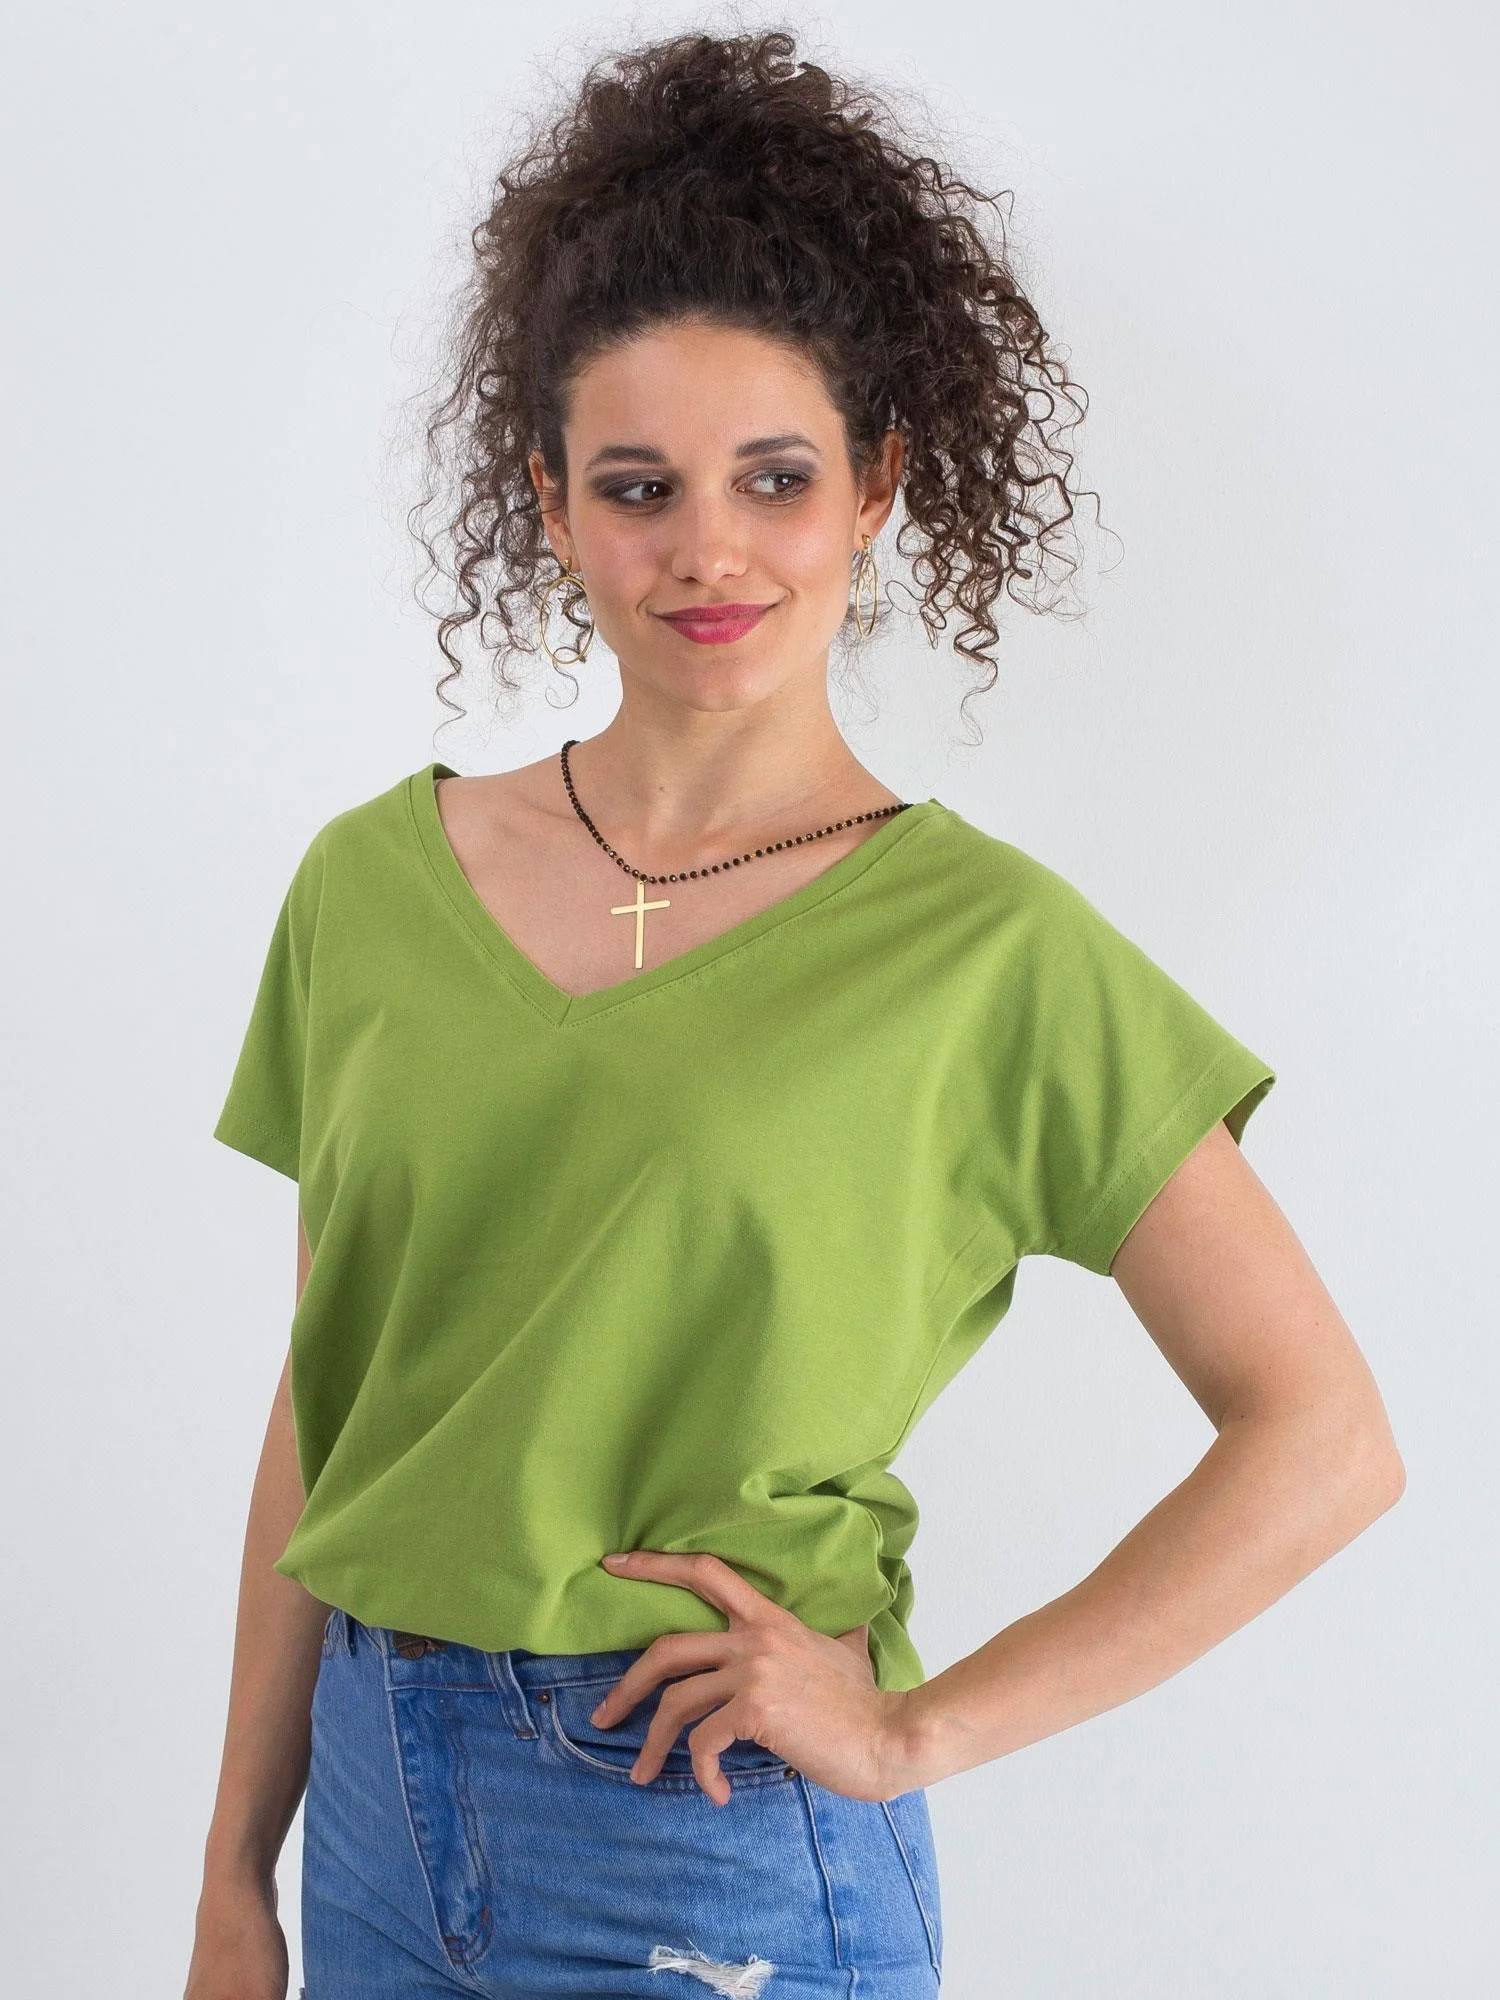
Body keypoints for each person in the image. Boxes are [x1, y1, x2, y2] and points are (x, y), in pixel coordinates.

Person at [184, 28, 1404, 2000]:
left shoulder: (987, 953)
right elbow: (328, 1407)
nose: (709, 551)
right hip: (374, 1812)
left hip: (704, 1827)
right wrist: (233, 1869)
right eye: (637, 487)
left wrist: (918, 1729)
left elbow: (1325, 1438)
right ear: (551, 503)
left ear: (876, 487)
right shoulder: (370, 889)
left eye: (774, 478)